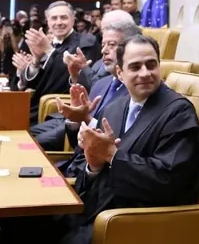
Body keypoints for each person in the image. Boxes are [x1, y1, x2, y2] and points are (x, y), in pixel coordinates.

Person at [0, 35, 199, 244]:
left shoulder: (177, 112)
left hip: (128, 219)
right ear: (120, 73)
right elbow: (85, 161)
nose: (145, 73)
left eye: (151, 64)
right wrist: (93, 164)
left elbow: (170, 180)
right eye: (135, 67)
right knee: (18, 228)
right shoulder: (116, 106)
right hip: (91, 202)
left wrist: (111, 155)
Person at [28, 20, 140, 151]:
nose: (104, 50)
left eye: (112, 44)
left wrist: (83, 118)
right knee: (24, 137)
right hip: (80, 139)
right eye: (103, 44)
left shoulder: (136, 90)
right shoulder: (106, 80)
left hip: (100, 151)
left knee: (29, 145)